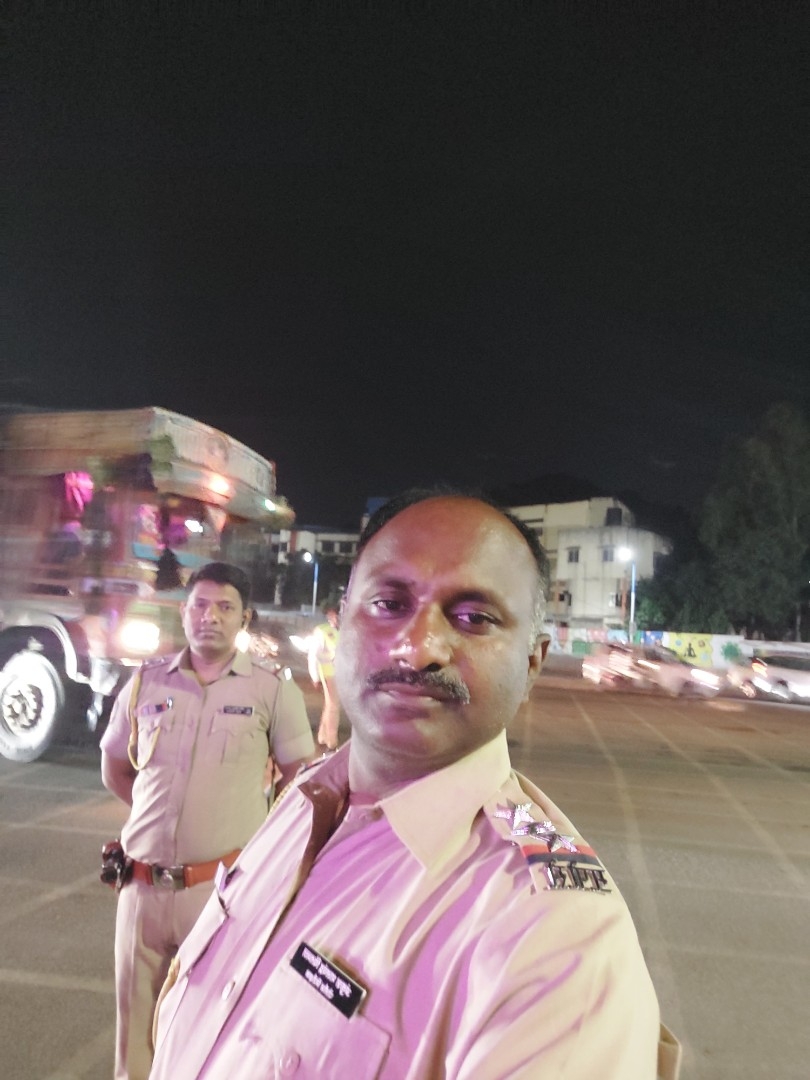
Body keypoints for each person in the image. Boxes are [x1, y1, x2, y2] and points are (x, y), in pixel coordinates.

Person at [149, 494, 681, 1079]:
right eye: (389, 604)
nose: (417, 646)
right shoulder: (302, 801)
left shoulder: (556, 939)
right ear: (343, 620)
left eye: (474, 618)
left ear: (533, 661)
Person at [100, 561, 315, 1080]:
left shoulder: (270, 690)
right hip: (141, 888)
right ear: (184, 612)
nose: (209, 617)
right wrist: (155, 819)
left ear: (244, 618)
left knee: (209, 1030)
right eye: (199, 605)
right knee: (133, 1039)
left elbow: (302, 783)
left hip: (222, 894)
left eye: (224, 607)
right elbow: (114, 767)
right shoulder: (145, 683)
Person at [307, 604, 341, 750]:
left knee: (330, 705)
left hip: (340, 673)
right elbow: (313, 655)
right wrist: (315, 677)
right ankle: (332, 742)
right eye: (330, 615)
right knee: (333, 706)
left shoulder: (345, 631)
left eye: (335, 614)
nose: (333, 617)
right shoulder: (322, 631)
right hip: (327, 672)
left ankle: (322, 736)